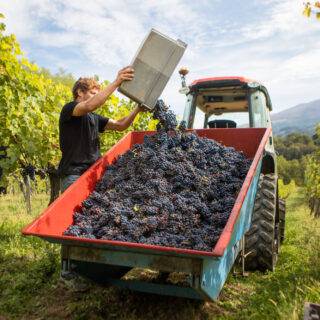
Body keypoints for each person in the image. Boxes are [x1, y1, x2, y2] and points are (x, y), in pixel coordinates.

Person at [58, 66, 144, 192]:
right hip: (74, 176)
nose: (96, 97)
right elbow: (90, 105)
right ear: (80, 92)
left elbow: (121, 125)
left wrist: (138, 109)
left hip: (93, 176)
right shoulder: (69, 109)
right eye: (93, 93)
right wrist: (116, 82)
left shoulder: (94, 118)